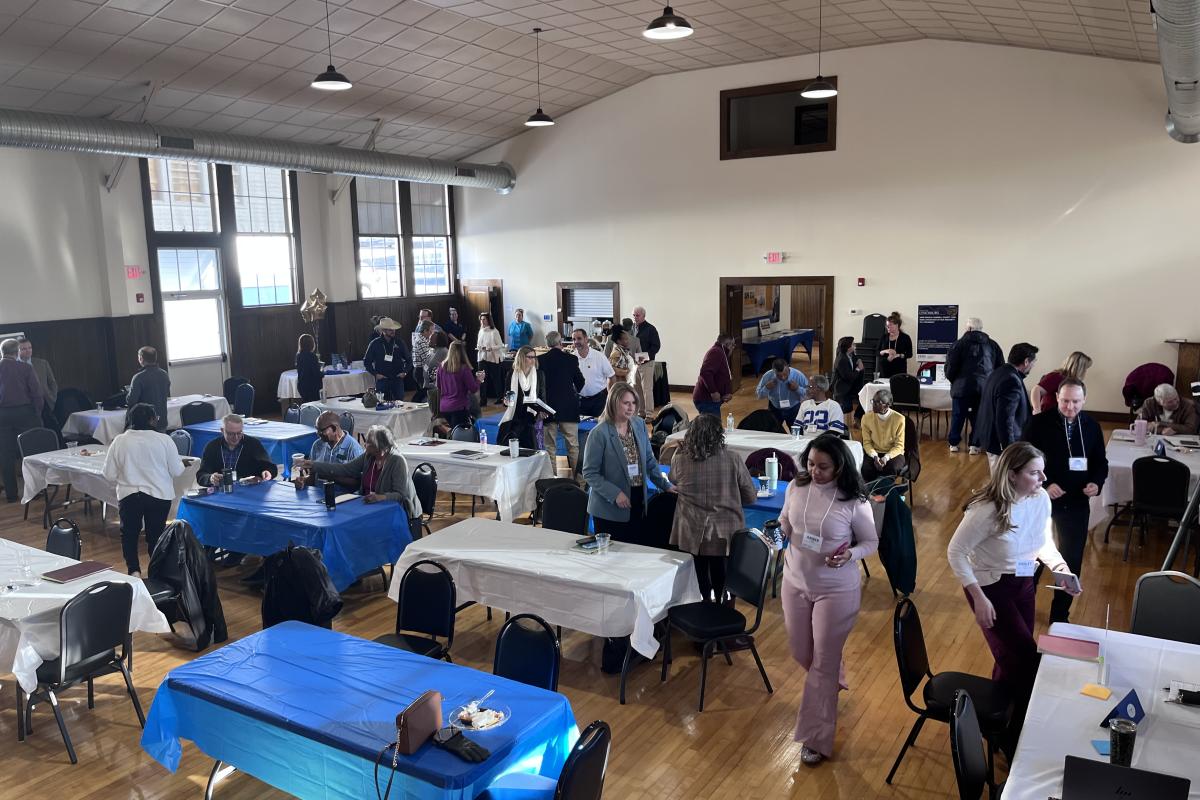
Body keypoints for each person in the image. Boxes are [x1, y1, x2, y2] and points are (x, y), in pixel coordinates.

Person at [947, 441, 1078, 748]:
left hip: (1023, 582)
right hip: (990, 588)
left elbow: (1043, 540)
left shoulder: (1040, 498)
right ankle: (1014, 735)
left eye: (1043, 472)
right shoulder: (986, 510)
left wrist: (1060, 568)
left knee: (1010, 659)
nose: (1043, 479)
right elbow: (956, 552)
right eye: (1034, 473)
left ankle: (996, 725)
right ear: (1012, 475)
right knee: (1026, 660)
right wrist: (978, 597)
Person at [779, 435, 877, 766]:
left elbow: (871, 542)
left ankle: (816, 739)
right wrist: (781, 531)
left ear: (839, 466)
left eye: (823, 467)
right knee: (801, 652)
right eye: (810, 464)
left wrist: (851, 554)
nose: (815, 472)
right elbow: (785, 519)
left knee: (822, 665)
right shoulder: (796, 486)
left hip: (835, 591)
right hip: (794, 581)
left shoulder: (854, 501)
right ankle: (832, 673)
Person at [1021, 377, 1107, 623]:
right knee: (1032, 557)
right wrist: (1044, 484)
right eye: (1066, 401)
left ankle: (1060, 616)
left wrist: (1096, 483)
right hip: (1041, 501)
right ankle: (1024, 608)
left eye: (1076, 402)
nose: (1070, 407)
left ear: (1084, 400)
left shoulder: (1091, 426)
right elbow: (1023, 460)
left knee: (1071, 559)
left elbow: (1100, 462)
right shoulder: (1038, 424)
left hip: (1076, 503)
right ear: (1057, 397)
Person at [669, 413, 756, 601]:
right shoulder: (733, 458)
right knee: (722, 573)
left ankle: (704, 603)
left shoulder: (680, 460)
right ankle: (723, 604)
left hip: (691, 529)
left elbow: (672, 479)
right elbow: (750, 497)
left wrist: (679, 451)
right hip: (724, 531)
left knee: (699, 572)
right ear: (719, 435)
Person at [581, 381, 673, 543]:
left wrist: (665, 485)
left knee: (635, 547)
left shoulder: (638, 424)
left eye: (634, 403)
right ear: (614, 403)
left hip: (637, 499)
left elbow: (649, 460)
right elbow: (590, 473)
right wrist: (615, 494)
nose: (631, 407)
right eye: (626, 403)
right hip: (609, 507)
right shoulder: (599, 433)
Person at [101, 403, 185, 576]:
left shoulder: (120, 440)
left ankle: (134, 570)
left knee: (129, 534)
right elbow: (177, 471)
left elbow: (109, 474)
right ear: (152, 420)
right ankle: (156, 573)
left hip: (129, 495)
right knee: (156, 536)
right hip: (159, 494)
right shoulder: (164, 439)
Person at [300, 424, 422, 534]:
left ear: (378, 446)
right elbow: (345, 469)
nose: (364, 444)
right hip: (371, 509)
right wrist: (314, 465)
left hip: (397, 513)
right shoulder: (368, 456)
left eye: (368, 442)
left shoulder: (397, 461)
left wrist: (380, 497)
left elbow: (400, 495)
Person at [944, 318, 1004, 454]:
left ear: (969, 329)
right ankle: (975, 445)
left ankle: (953, 444)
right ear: (981, 329)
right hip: (984, 388)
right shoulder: (992, 345)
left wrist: (954, 381)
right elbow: (1000, 367)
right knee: (979, 417)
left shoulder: (958, 344)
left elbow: (950, 368)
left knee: (958, 416)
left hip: (961, 388)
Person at [976, 343, 1038, 473]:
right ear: (1026, 361)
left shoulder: (998, 372)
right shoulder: (1011, 380)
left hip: (991, 438)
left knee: (999, 478)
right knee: (1002, 481)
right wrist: (1009, 449)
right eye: (1033, 362)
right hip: (1000, 444)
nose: (1033, 365)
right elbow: (1005, 418)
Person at [0, 337, 42, 503]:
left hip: (2, 415)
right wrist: (37, 413)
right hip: (25, 413)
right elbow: (36, 393)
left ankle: (11, 494)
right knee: (29, 451)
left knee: (5, 454)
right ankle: (34, 491)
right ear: (17, 352)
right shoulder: (25, 368)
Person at [538, 331, 586, 471]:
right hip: (568, 406)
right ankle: (577, 479)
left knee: (550, 447)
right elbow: (580, 382)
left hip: (548, 407)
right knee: (573, 445)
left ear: (547, 344)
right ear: (560, 343)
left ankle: (552, 478)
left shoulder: (540, 360)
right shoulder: (571, 359)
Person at [196, 414, 278, 488]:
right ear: (222, 430)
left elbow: (270, 467)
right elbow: (201, 475)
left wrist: (268, 472)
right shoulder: (212, 446)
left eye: (239, 433)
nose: (235, 437)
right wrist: (210, 478)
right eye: (231, 434)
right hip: (220, 491)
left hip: (248, 491)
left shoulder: (253, 444)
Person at [499, 345, 549, 450]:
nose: (533, 360)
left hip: (531, 417)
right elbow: (508, 398)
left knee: (532, 448)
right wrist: (507, 401)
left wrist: (543, 411)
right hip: (515, 416)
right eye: (530, 357)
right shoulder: (512, 374)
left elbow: (542, 397)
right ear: (521, 358)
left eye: (534, 357)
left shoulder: (539, 374)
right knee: (510, 447)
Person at [860, 389, 905, 482]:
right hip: (874, 451)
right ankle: (871, 490)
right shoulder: (866, 418)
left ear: (887, 405)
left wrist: (886, 458)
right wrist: (875, 456)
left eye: (877, 402)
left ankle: (884, 490)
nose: (873, 404)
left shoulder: (899, 419)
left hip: (893, 453)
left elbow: (899, 446)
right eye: (873, 401)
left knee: (891, 468)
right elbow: (866, 443)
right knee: (866, 469)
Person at [436, 340, 482, 429]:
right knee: (461, 433)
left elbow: (438, 386)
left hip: (444, 407)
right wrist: (479, 380)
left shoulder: (441, 367)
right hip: (459, 406)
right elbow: (473, 389)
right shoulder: (464, 369)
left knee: (453, 431)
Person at [363, 317, 410, 402]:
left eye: (394, 329)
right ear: (383, 330)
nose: (393, 331)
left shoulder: (399, 342)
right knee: (382, 404)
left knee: (399, 405)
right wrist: (375, 374)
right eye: (390, 329)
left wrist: (405, 372)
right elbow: (366, 362)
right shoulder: (375, 343)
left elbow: (409, 359)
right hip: (382, 380)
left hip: (397, 380)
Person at [17, 337, 58, 432]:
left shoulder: (42, 363)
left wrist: (52, 398)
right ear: (17, 351)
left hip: (46, 403)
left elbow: (52, 383)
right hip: (27, 405)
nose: (28, 350)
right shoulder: (15, 366)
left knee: (51, 430)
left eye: (30, 348)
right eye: (24, 349)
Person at [755, 357, 809, 427]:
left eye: (785, 374)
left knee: (796, 432)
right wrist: (766, 388)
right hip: (774, 409)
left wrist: (797, 388)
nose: (783, 378)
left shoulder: (798, 375)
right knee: (773, 431)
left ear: (788, 367)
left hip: (794, 409)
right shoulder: (768, 376)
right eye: (779, 376)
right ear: (773, 371)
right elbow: (758, 395)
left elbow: (809, 394)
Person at [127, 346, 170, 432]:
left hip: (145, 423)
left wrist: (128, 393)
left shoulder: (138, 377)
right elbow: (166, 393)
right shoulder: (164, 374)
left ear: (141, 358)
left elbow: (131, 401)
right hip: (162, 420)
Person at [573, 327, 614, 418]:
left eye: (579, 338)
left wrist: (610, 396)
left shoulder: (599, 356)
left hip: (599, 400)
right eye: (574, 339)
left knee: (599, 425)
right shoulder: (572, 358)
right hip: (579, 401)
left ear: (586, 339)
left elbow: (611, 376)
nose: (576, 342)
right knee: (581, 426)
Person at [692, 334, 735, 417]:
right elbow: (705, 372)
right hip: (706, 400)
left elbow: (722, 375)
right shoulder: (716, 352)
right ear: (727, 344)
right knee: (712, 424)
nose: (733, 348)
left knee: (712, 423)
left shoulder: (721, 352)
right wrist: (713, 391)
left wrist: (726, 392)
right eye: (733, 345)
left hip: (710, 400)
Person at [830, 336, 865, 422]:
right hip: (841, 390)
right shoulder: (841, 359)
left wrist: (859, 360)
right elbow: (849, 377)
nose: (855, 346)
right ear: (848, 347)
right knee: (844, 410)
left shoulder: (850, 354)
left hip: (849, 388)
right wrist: (858, 369)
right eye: (853, 344)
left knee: (860, 401)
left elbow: (856, 359)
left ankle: (853, 420)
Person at [476, 312, 505, 404]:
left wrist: (491, 348)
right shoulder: (481, 331)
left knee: (496, 379)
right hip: (482, 357)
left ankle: (500, 398)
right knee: (482, 379)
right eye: (481, 319)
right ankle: (483, 400)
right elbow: (478, 344)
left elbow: (500, 345)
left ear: (488, 320)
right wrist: (480, 347)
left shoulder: (494, 331)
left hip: (493, 358)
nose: (482, 321)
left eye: (484, 319)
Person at [876, 312, 913, 379]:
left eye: (890, 325)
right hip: (884, 371)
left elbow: (910, 354)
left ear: (897, 325)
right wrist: (885, 351)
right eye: (887, 325)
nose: (888, 327)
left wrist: (898, 355)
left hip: (899, 370)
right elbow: (877, 352)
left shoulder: (905, 337)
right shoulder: (883, 337)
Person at [424, 331, 449, 416]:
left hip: (437, 389)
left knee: (437, 414)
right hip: (430, 386)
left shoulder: (444, 351)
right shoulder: (432, 351)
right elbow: (427, 365)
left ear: (438, 341)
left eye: (431, 339)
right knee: (433, 413)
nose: (429, 340)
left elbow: (447, 368)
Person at [410, 320, 433, 403]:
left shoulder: (424, 340)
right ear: (425, 330)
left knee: (423, 393)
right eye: (431, 331)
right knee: (423, 393)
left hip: (422, 370)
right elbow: (427, 358)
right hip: (420, 371)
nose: (432, 333)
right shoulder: (421, 341)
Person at [295, 333, 322, 404]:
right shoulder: (312, 356)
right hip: (312, 386)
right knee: (315, 404)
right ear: (311, 344)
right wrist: (323, 373)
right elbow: (316, 373)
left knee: (306, 403)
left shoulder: (299, 356)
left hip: (302, 385)